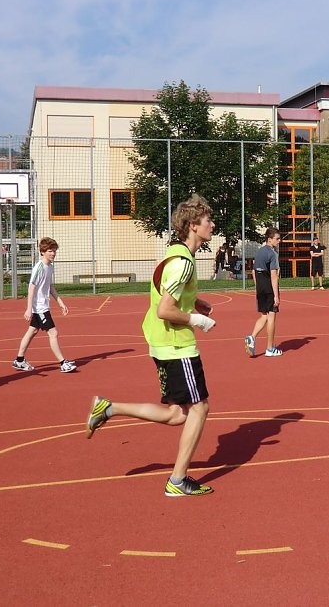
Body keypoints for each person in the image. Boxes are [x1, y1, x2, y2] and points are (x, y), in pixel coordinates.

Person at [86, 194, 217, 497]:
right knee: (200, 408)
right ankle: (178, 480)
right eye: (208, 220)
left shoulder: (175, 254)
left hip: (162, 343)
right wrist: (197, 319)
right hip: (176, 345)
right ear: (193, 225)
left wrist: (195, 301)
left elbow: (165, 289)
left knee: (178, 414)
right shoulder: (182, 263)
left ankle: (109, 408)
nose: (212, 225)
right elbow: (165, 309)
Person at [12, 237, 76, 373]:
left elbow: (49, 286)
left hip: (43, 306)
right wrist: (29, 309)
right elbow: (31, 288)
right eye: (49, 251)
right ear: (42, 252)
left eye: (54, 251)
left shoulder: (49, 267)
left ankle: (19, 360)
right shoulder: (39, 268)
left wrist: (60, 302)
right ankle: (63, 363)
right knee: (53, 333)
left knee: (32, 331)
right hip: (40, 308)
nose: (53, 253)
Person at [244, 228, 282, 357]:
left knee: (264, 315)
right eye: (277, 238)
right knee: (271, 316)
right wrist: (276, 296)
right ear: (269, 239)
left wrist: (258, 287)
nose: (279, 241)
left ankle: (252, 337)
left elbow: (254, 271)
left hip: (260, 287)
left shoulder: (259, 252)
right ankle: (270, 349)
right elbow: (274, 276)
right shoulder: (273, 254)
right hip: (269, 287)